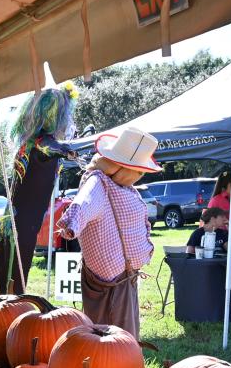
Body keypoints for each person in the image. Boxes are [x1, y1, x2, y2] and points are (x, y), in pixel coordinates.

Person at [56, 127, 158, 338]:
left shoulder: (120, 186)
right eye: (138, 172)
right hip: (108, 286)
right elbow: (83, 203)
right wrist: (71, 223)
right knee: (112, 339)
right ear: (121, 167)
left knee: (124, 337)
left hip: (124, 279)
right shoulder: (97, 183)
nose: (139, 177)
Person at [0, 84, 78, 293]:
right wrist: (68, 151)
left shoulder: (29, 142)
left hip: (17, 218)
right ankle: (12, 309)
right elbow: (51, 148)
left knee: (11, 269)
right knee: (17, 271)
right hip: (24, 221)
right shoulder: (43, 143)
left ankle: (9, 305)